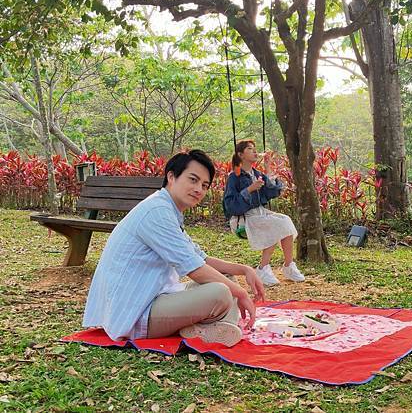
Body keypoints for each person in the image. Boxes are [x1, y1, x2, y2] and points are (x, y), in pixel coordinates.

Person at [83, 149, 265, 347]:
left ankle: (209, 329)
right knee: (221, 292)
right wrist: (241, 293)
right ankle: (216, 326)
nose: (199, 190)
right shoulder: (157, 212)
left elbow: (199, 258)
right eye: (193, 180)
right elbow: (195, 270)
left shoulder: (168, 210)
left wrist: (244, 269)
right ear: (171, 177)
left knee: (226, 278)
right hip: (135, 312)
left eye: (204, 185)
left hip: (158, 298)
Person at [223, 140, 305, 287]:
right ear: (240, 154)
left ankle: (288, 265)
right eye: (250, 149)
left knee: (285, 221)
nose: (255, 152)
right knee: (274, 225)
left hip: (261, 213)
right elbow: (230, 206)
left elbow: (273, 192)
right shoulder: (234, 176)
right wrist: (249, 189)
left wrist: (267, 168)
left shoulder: (257, 174)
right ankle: (262, 268)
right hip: (244, 218)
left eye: (255, 149)